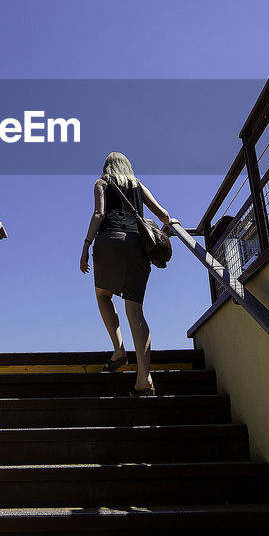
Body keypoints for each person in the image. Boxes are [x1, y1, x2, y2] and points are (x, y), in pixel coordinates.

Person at [79, 152, 177, 396]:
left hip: (108, 242)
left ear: (107, 167)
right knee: (135, 310)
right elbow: (163, 215)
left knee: (103, 295)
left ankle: (119, 350)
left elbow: (99, 214)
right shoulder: (138, 185)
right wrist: (168, 225)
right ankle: (144, 379)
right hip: (136, 245)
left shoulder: (102, 182)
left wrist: (85, 244)